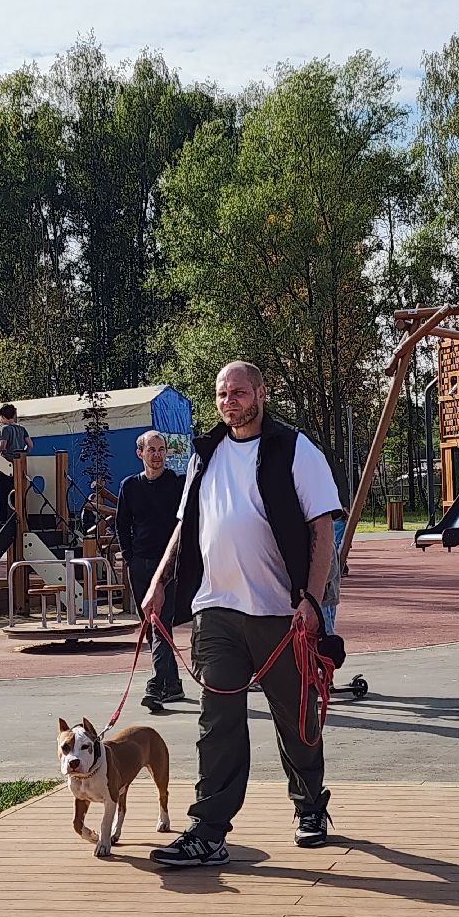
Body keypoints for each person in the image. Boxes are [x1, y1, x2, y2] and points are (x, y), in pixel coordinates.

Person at [143, 361, 342, 868]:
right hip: (216, 610)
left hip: (280, 612)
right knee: (218, 722)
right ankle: (208, 830)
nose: (229, 400)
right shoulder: (204, 454)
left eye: (238, 392)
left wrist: (312, 601)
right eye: (221, 393)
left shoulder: (296, 449)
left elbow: (323, 531)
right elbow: (185, 524)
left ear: (261, 392)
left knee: (294, 718)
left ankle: (310, 806)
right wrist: (158, 584)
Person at [116, 429, 186, 712]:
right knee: (150, 625)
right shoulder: (129, 486)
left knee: (161, 623)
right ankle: (174, 685)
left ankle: (156, 685)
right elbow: (122, 524)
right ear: (140, 454)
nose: (157, 455)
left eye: (161, 449)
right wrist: (130, 557)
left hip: (168, 566)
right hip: (140, 563)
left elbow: (187, 521)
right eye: (151, 450)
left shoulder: (177, 484)